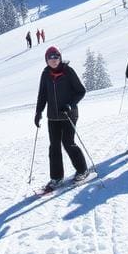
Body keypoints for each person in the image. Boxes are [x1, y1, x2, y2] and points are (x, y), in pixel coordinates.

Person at [34, 46, 89, 191]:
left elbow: (81, 91)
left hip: (69, 114)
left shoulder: (68, 71)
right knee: (54, 146)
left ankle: (83, 169)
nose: (53, 60)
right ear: (46, 60)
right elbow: (42, 95)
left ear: (60, 58)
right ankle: (57, 177)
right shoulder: (45, 74)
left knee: (68, 142)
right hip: (53, 117)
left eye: (56, 57)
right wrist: (38, 112)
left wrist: (70, 105)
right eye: (50, 58)